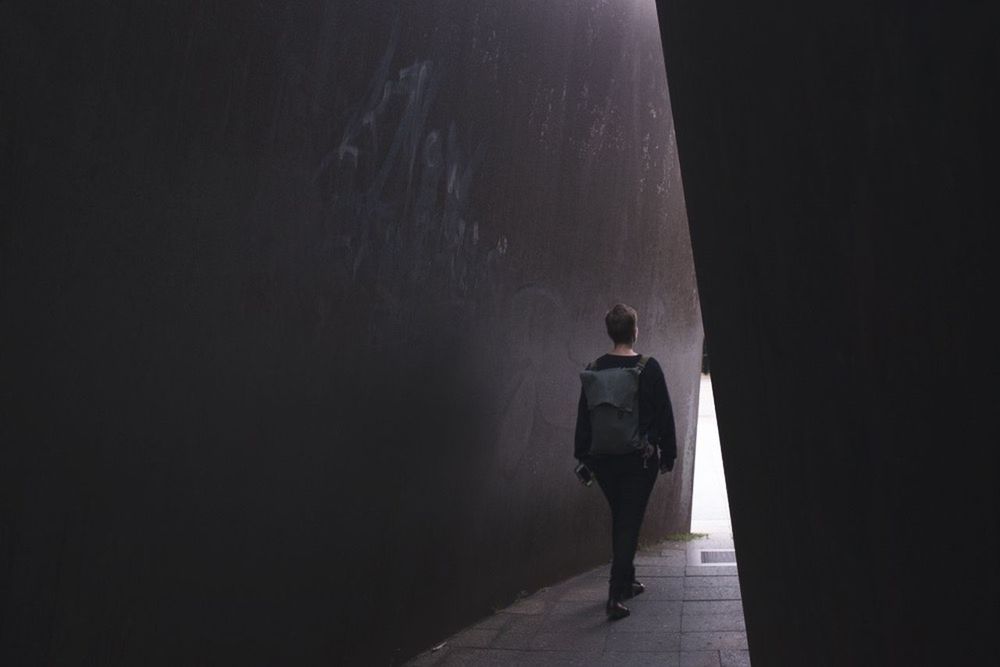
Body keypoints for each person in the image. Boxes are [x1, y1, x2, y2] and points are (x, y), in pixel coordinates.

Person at [574, 303, 677, 620]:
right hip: (638, 461)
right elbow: (664, 413)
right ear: (634, 331)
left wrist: (583, 457)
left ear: (610, 332)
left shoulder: (594, 368)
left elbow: (585, 418)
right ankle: (614, 596)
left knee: (623, 517)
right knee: (628, 523)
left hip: (604, 461)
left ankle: (628, 580)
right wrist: (668, 455)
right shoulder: (649, 367)